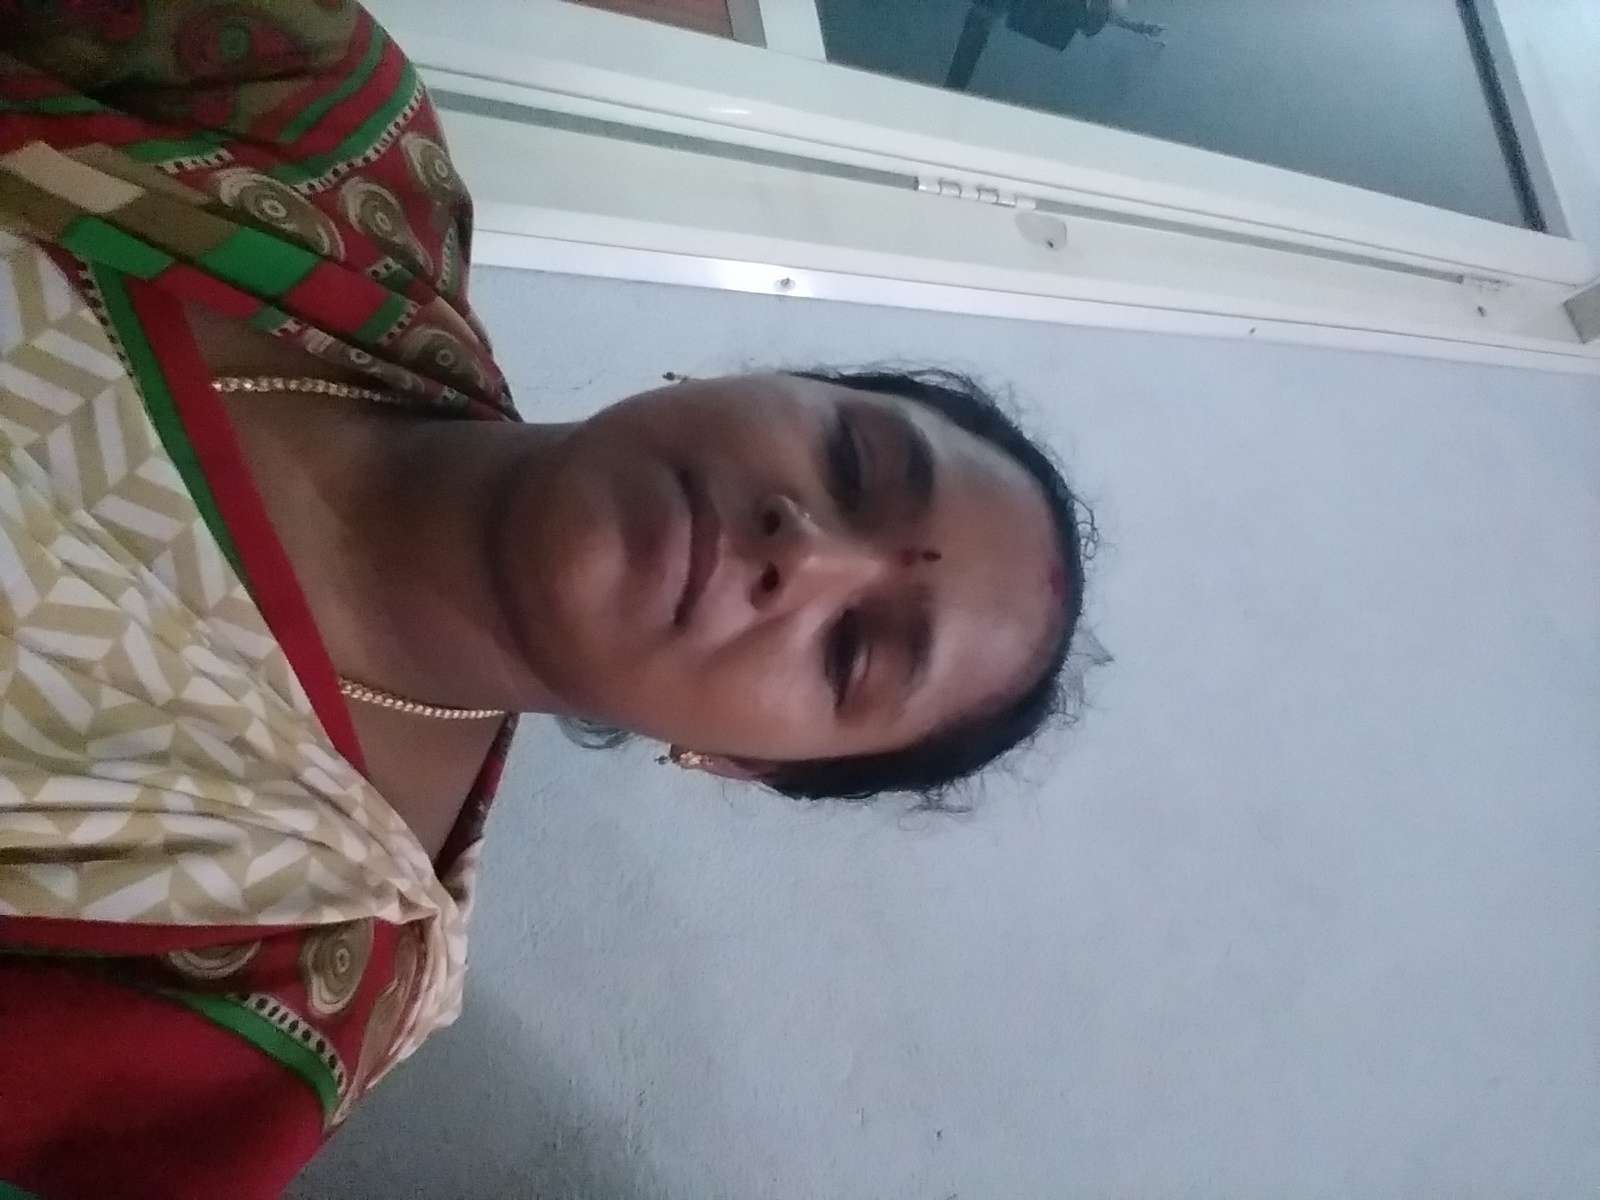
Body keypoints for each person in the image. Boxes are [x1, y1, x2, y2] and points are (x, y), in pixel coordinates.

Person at [0, 3, 1091, 1196]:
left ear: (738, 764)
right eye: (853, 461)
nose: (804, 553)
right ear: (758, 377)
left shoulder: (268, 975)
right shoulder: (321, 137)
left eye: (853, 655)